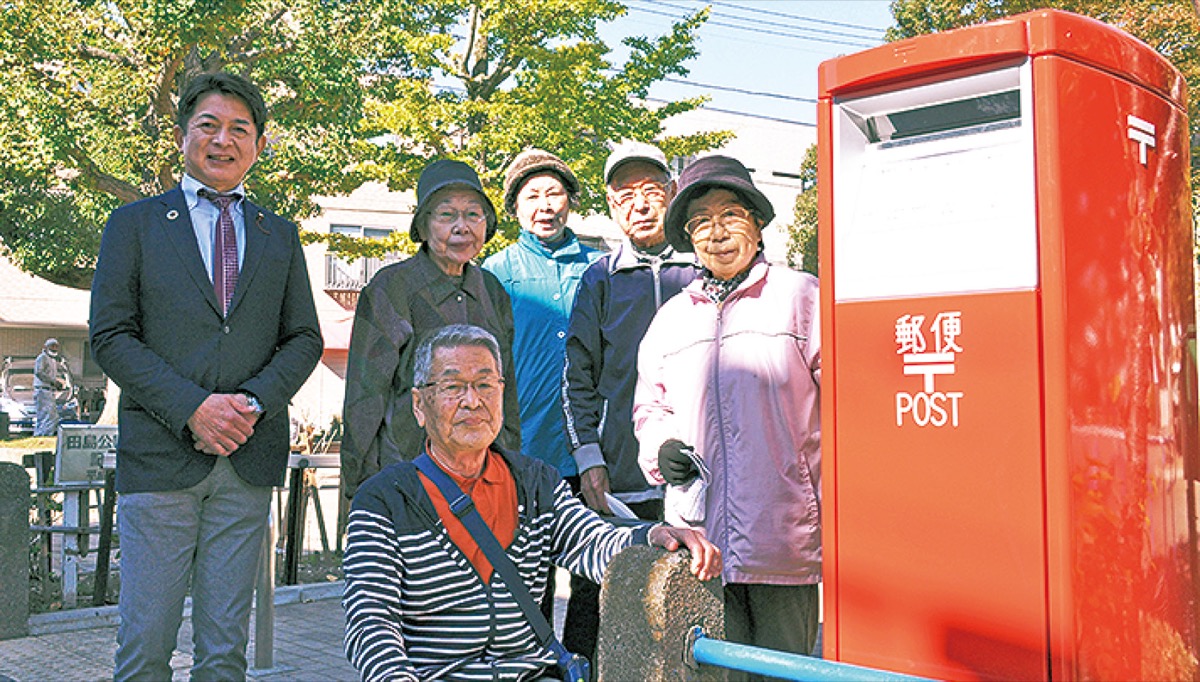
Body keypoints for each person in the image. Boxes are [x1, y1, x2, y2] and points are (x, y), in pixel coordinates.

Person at [89, 71, 323, 681]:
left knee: (225, 654)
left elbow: (304, 338)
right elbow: (111, 337)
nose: (224, 140)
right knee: (145, 648)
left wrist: (250, 403)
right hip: (161, 460)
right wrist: (194, 407)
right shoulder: (133, 225)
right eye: (208, 126)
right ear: (182, 136)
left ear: (260, 145)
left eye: (239, 129)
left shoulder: (280, 235)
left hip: (246, 461)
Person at [343, 324, 721, 681]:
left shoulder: (534, 483)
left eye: (485, 385)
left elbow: (592, 542)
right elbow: (370, 622)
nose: (472, 401)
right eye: (453, 386)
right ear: (419, 405)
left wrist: (653, 535)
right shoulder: (384, 501)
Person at [634, 155, 822, 670]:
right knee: (709, 673)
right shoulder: (671, 318)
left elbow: (847, 403)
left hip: (782, 534)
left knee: (787, 673)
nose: (715, 233)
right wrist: (661, 446)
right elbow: (650, 405)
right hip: (700, 543)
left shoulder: (800, 297)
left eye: (730, 215)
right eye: (700, 222)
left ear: (757, 225)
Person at [558, 140, 699, 660]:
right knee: (597, 595)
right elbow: (576, 378)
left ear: (672, 193)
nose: (639, 205)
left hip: (698, 471)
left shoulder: (702, 267)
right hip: (617, 473)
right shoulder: (599, 279)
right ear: (612, 207)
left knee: (689, 593)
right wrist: (588, 459)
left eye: (650, 191)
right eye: (624, 196)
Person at [341, 159, 520, 504]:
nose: (462, 227)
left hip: (481, 478)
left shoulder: (493, 291)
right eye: (446, 215)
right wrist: (361, 489)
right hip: (408, 477)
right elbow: (365, 395)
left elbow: (505, 387)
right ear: (423, 227)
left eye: (473, 214)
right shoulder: (392, 288)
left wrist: (508, 467)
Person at [33, 338, 66, 436]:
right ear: (46, 347)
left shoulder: (52, 360)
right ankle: (43, 434)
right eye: (52, 346)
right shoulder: (42, 358)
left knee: (49, 415)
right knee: (48, 415)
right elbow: (39, 372)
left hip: (49, 390)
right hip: (43, 390)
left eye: (56, 346)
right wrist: (53, 382)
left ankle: (43, 434)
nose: (54, 348)